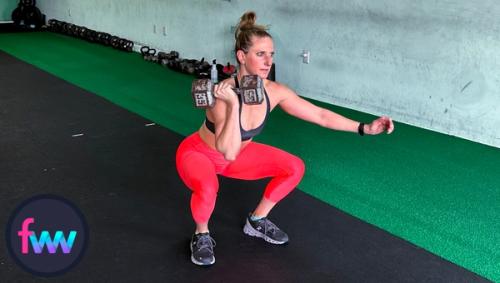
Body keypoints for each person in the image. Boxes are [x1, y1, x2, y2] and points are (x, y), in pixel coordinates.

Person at [176, 11, 394, 266]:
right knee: (208, 187)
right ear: (241, 56)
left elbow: (320, 115)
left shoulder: (274, 92)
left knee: (294, 167)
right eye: (260, 54)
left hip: (237, 156)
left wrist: (364, 128)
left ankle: (257, 221)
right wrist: (234, 104)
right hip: (200, 154)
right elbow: (228, 151)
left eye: (271, 54)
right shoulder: (221, 96)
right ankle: (201, 233)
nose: (268, 61)